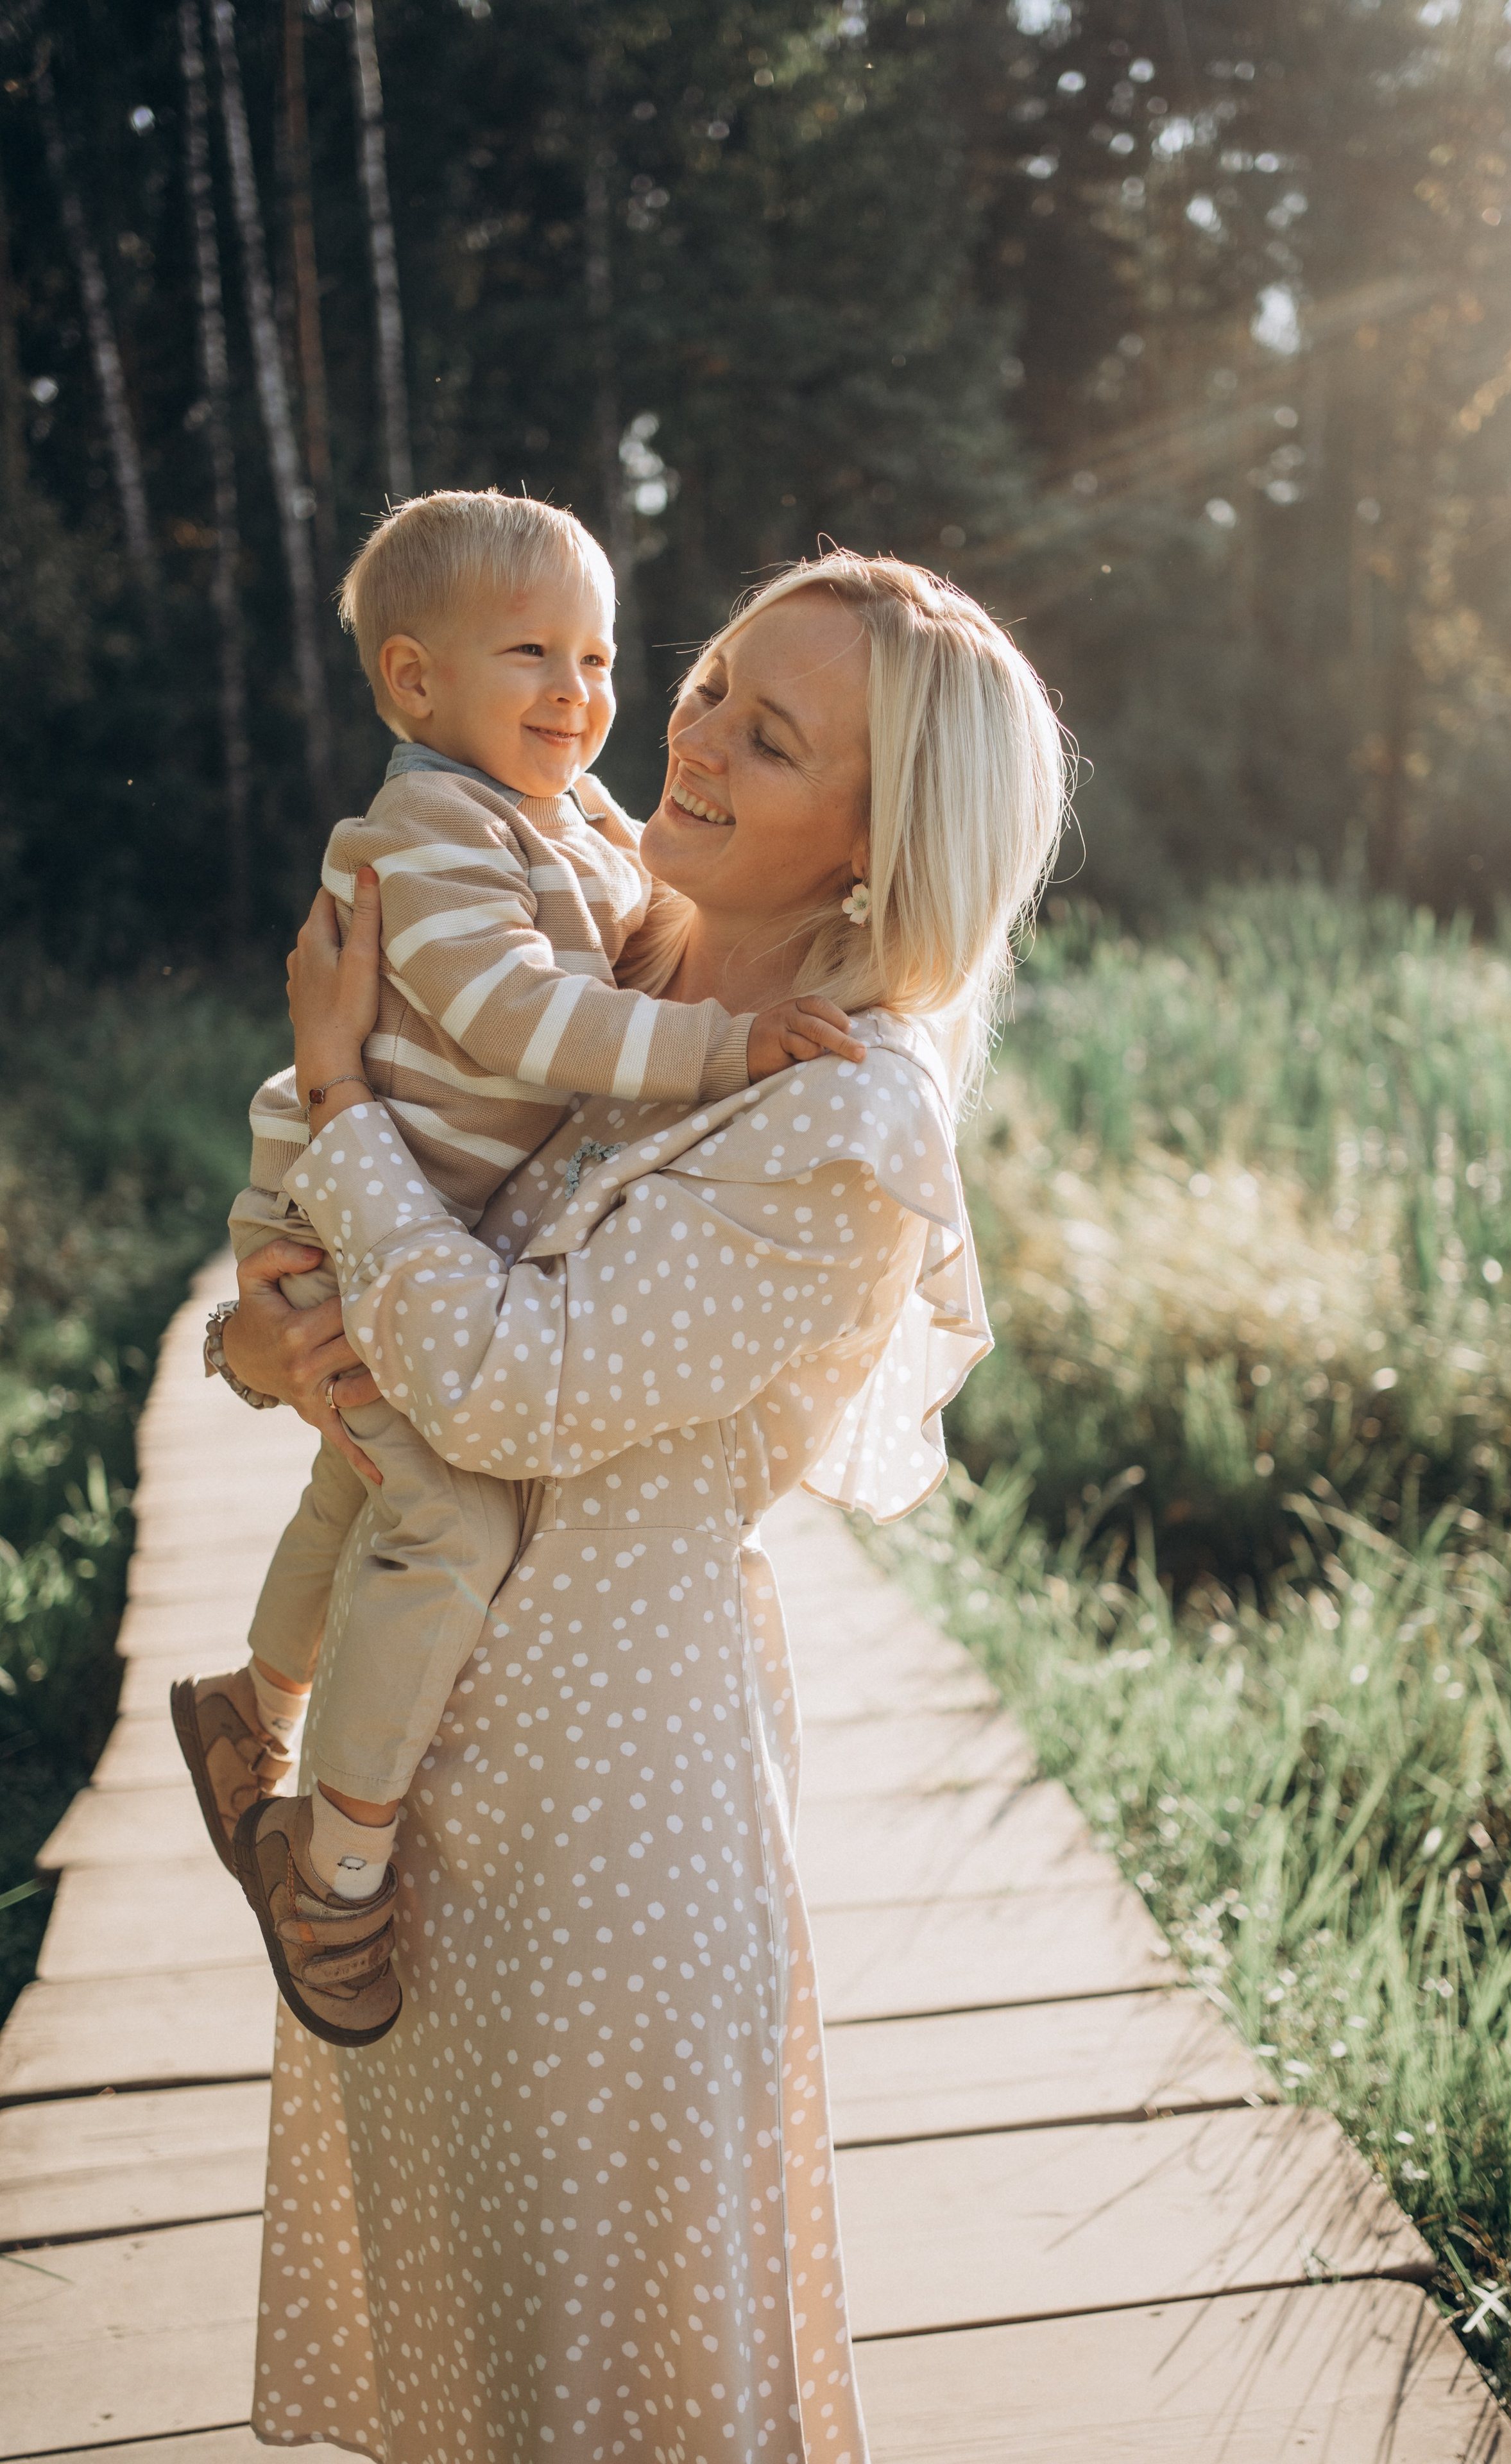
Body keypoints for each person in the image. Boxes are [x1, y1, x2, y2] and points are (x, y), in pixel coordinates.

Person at [219, 551, 1066, 2464]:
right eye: (711, 686)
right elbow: (405, 1286)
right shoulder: (604, 947)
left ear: (879, 848)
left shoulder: (843, 1115)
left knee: (603, 2386)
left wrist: (336, 1103)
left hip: (600, 1837)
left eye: (771, 738)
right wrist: (267, 1334)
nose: (684, 736)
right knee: (472, 2369)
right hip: (405, 1788)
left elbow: (508, 1384)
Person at [171, 492, 864, 2047]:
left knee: (360, 1486)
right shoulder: (431, 833)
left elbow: (625, 909)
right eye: (531, 655)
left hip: (392, 1216)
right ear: (413, 683)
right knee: (446, 1515)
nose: (581, 694)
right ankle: (332, 1871)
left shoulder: (560, 814)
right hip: (341, 1221)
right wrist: (724, 1045)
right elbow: (515, 1020)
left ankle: (251, 1708)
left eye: (601, 657)